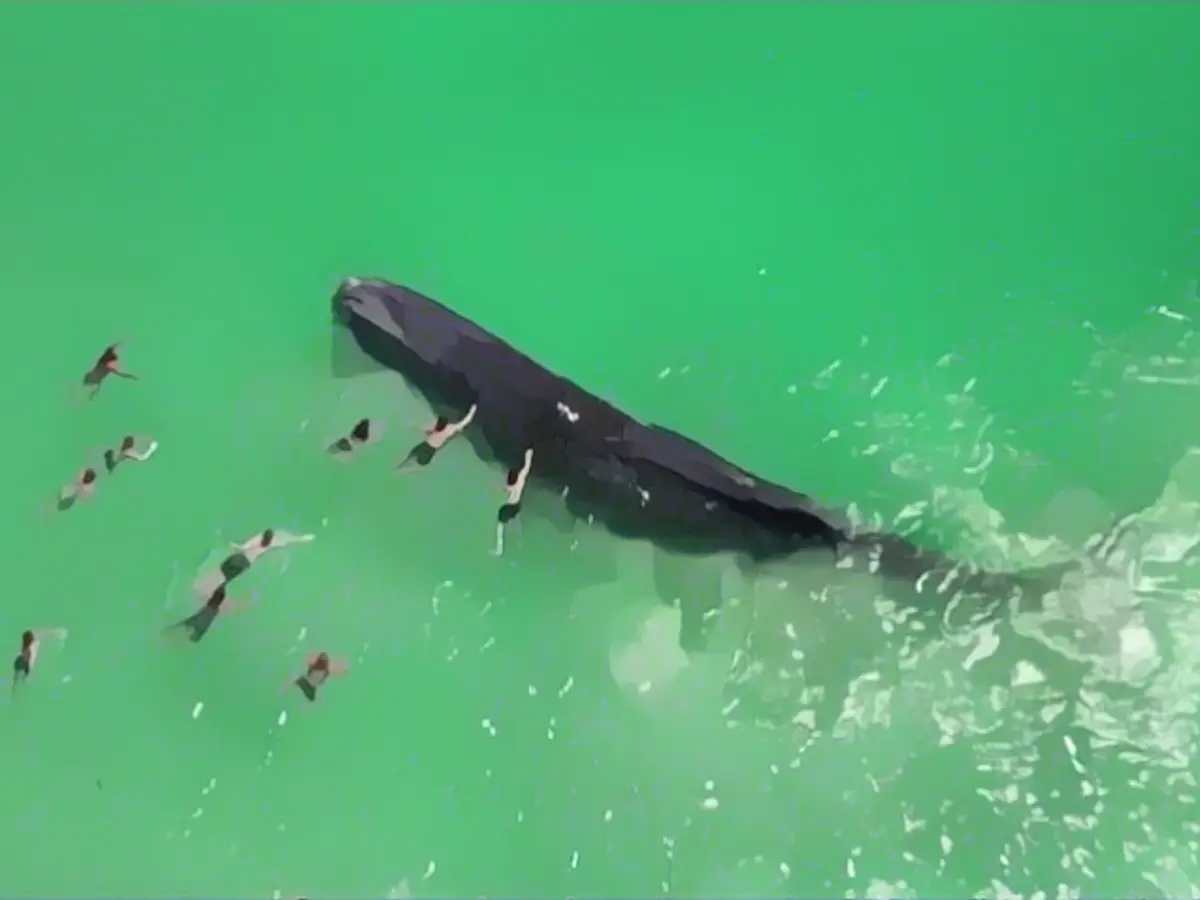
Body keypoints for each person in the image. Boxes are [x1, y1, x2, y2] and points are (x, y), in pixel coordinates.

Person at [194, 528, 315, 597]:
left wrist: (232, 544)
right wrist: (305, 538)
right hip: (247, 563)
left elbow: (243, 548)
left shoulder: (257, 539)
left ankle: (208, 586)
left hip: (241, 559)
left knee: (224, 572)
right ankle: (213, 590)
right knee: (229, 578)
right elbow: (291, 540)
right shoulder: (273, 543)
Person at [397, 404, 477, 472]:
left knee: (412, 454)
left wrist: (413, 426)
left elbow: (425, 430)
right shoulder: (451, 429)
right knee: (421, 464)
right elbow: (465, 422)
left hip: (426, 444)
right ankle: (405, 471)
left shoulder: (438, 428)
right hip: (432, 449)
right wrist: (473, 410)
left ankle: (400, 466)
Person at [165, 583, 247, 643]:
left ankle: (169, 632)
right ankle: (175, 637)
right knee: (191, 635)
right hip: (202, 623)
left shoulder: (211, 607)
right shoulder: (215, 609)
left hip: (199, 619)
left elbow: (205, 612)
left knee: (183, 625)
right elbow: (208, 621)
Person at [494, 448, 533, 556]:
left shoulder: (510, 486)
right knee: (516, 524)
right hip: (517, 506)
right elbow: (526, 468)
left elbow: (506, 489)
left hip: (508, 507)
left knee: (500, 526)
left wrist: (503, 488)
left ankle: (499, 550)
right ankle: (520, 543)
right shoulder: (520, 481)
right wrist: (528, 457)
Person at [12, 628, 68, 694]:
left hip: (21, 663)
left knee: (18, 681)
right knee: (20, 680)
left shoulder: (26, 647)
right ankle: (17, 692)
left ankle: (16, 693)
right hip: (23, 663)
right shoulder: (30, 647)